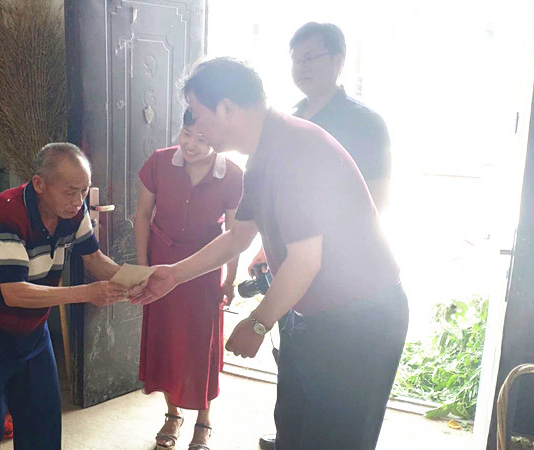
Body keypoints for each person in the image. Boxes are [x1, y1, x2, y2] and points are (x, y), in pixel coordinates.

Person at [132, 58, 408, 450]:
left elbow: (305, 261)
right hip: (309, 312)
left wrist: (258, 322)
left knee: (334, 440)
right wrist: (173, 275)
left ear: (227, 108)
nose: (195, 124)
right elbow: (237, 237)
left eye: (198, 111)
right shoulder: (263, 155)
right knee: (294, 432)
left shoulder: (295, 149)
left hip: (359, 318)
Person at [257, 22, 393, 449]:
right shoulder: (290, 119)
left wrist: (312, 253)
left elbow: (376, 201)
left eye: (310, 57)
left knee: (343, 411)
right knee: (295, 386)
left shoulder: (364, 123)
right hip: (298, 280)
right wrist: (268, 250)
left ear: (338, 61)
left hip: (346, 285)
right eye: (295, 59)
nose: (301, 66)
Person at [0, 142, 137, 449]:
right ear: (39, 184)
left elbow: (94, 259)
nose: (78, 201)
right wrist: (87, 293)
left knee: (43, 427)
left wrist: (135, 280)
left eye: (84, 191)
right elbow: (14, 293)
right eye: (70, 192)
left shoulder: (73, 211)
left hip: (33, 335)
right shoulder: (7, 210)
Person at [135, 109, 243, 450]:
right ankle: (172, 415)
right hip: (161, 264)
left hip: (205, 270)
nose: (191, 144)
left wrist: (230, 280)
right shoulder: (159, 162)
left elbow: (235, 235)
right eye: (186, 133)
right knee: (165, 340)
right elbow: (142, 214)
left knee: (201, 344)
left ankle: (203, 420)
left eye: (202, 138)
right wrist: (143, 267)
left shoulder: (233, 175)